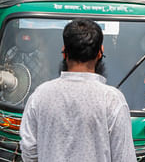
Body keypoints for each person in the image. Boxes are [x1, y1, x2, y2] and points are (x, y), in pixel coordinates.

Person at [19, 19, 135, 162]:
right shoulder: (112, 100)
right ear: (100, 53)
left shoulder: (40, 95)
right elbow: (124, 157)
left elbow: (29, 151)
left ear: (64, 52)